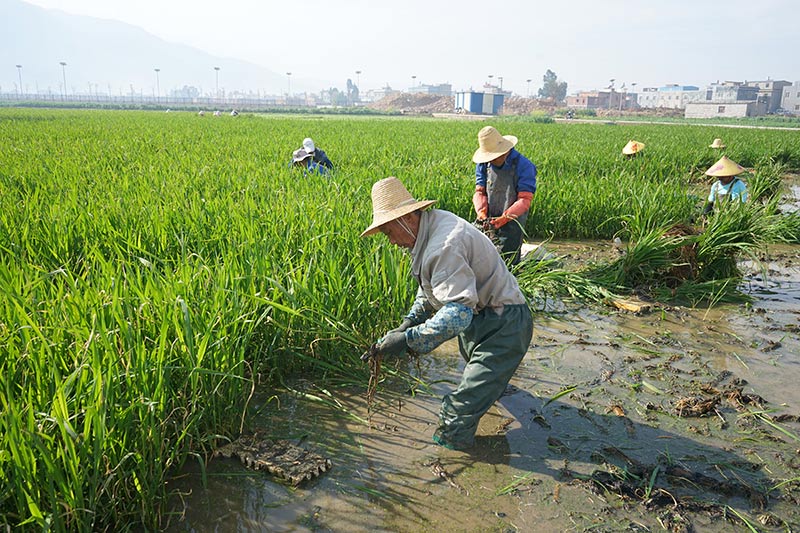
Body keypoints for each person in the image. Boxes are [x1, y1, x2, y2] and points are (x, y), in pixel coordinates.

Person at [361, 177, 533, 450]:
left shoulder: (444, 243)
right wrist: (408, 321)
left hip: (505, 325)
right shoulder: (429, 230)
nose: (391, 241)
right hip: (483, 320)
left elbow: (458, 315)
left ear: (406, 219)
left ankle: (451, 459)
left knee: (458, 410)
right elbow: (432, 288)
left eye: (388, 232)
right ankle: (488, 393)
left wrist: (407, 340)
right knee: (482, 389)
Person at [471, 126, 538, 266]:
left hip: (513, 218)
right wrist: (481, 212)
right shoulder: (483, 164)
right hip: (488, 217)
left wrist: (504, 218)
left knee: (508, 260)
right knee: (478, 254)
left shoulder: (524, 166)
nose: (491, 160)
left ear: (504, 151)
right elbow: (480, 192)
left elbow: (524, 200)